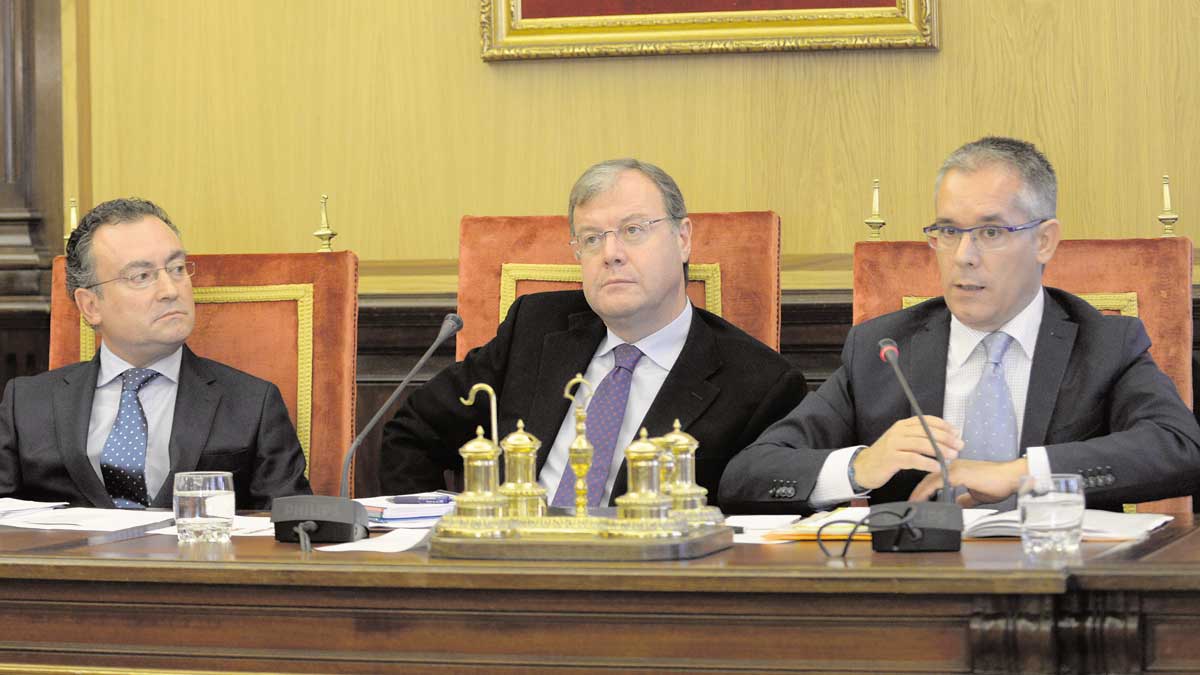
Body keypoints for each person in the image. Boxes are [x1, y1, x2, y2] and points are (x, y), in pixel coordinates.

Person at [720, 137, 1200, 513]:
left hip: (1059, 593)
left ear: (1045, 242)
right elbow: (749, 474)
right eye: (948, 232)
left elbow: (1180, 447)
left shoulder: (1102, 342)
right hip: (915, 598)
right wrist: (862, 465)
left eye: (991, 232)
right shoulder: (884, 350)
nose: (964, 257)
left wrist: (1021, 473)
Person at [382, 158, 808, 506]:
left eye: (633, 230)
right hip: (510, 583)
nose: (611, 254)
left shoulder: (759, 385)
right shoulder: (534, 330)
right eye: (591, 239)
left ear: (682, 238)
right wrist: (429, 544)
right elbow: (412, 431)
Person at [0, 198, 311, 509]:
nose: (171, 290)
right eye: (142, 277)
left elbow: (291, 530)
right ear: (91, 306)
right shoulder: (25, 405)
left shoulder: (252, 403)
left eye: (177, 269)